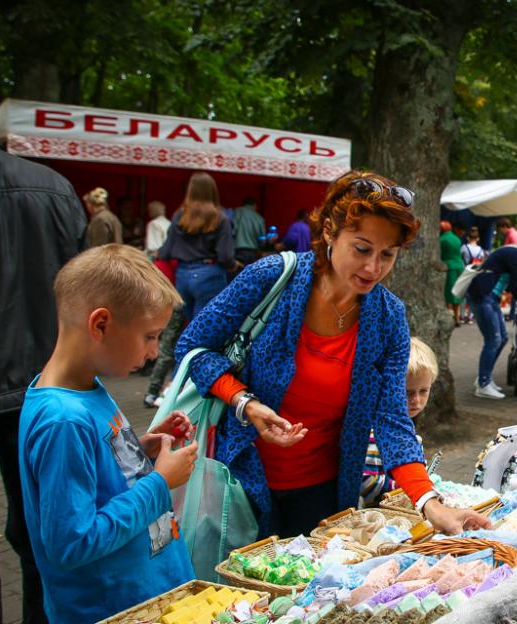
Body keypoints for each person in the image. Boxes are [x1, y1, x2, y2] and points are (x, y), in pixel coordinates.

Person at [174, 171, 491, 539]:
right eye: (362, 249)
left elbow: (393, 421)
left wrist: (432, 506)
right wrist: (243, 401)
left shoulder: (387, 318)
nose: (373, 268)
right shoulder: (272, 278)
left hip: (323, 493)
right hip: (242, 479)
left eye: (387, 255)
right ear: (329, 231)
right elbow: (193, 347)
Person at [18, 245, 197, 624]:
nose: (153, 353)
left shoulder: (86, 387)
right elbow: (72, 542)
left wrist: (142, 448)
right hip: (116, 608)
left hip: (147, 595)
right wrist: (161, 482)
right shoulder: (62, 420)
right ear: (100, 324)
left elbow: (98, 476)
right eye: (150, 336)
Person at [0, 144, 86, 624]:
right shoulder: (53, 187)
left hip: (38, 389)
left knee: (44, 529)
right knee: (36, 534)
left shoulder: (52, 187)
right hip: (41, 378)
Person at [465, 234, 517, 399]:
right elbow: (515, 288)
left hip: (488, 297)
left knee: (502, 338)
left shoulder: (516, 254)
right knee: (494, 340)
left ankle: (485, 379)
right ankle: (483, 384)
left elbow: (512, 279)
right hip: (482, 296)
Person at [360, 337, 437, 507]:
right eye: (408, 392)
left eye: (423, 391)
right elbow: (365, 480)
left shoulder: (409, 426)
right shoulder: (376, 434)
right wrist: (402, 486)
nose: (416, 400)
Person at [157, 172, 235, 320]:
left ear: (190, 190)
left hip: (183, 275)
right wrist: (232, 265)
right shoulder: (221, 218)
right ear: (213, 191)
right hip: (210, 274)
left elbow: (166, 250)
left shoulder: (179, 216)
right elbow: (225, 256)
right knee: (205, 326)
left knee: (188, 324)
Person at [440, 220, 465, 327]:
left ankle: (450, 317)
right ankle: (457, 317)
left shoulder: (442, 240)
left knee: (449, 293)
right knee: (458, 292)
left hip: (449, 267)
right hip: (460, 266)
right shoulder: (457, 239)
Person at [233, 197, 266, 267]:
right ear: (254, 205)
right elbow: (262, 240)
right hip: (253, 252)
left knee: (238, 275)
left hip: (238, 250)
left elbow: (232, 230)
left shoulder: (237, 212)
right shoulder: (259, 218)